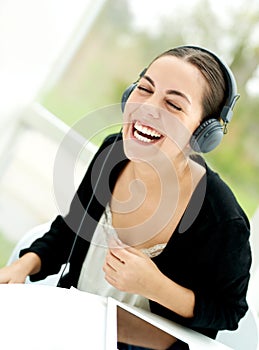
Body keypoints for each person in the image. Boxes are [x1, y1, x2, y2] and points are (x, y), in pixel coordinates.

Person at [0, 45, 252, 349]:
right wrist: (23, 265)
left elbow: (229, 312)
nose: (148, 108)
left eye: (173, 105)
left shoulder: (222, 218)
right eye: (145, 89)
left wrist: (156, 286)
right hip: (71, 329)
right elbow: (70, 231)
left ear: (203, 131)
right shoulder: (112, 154)